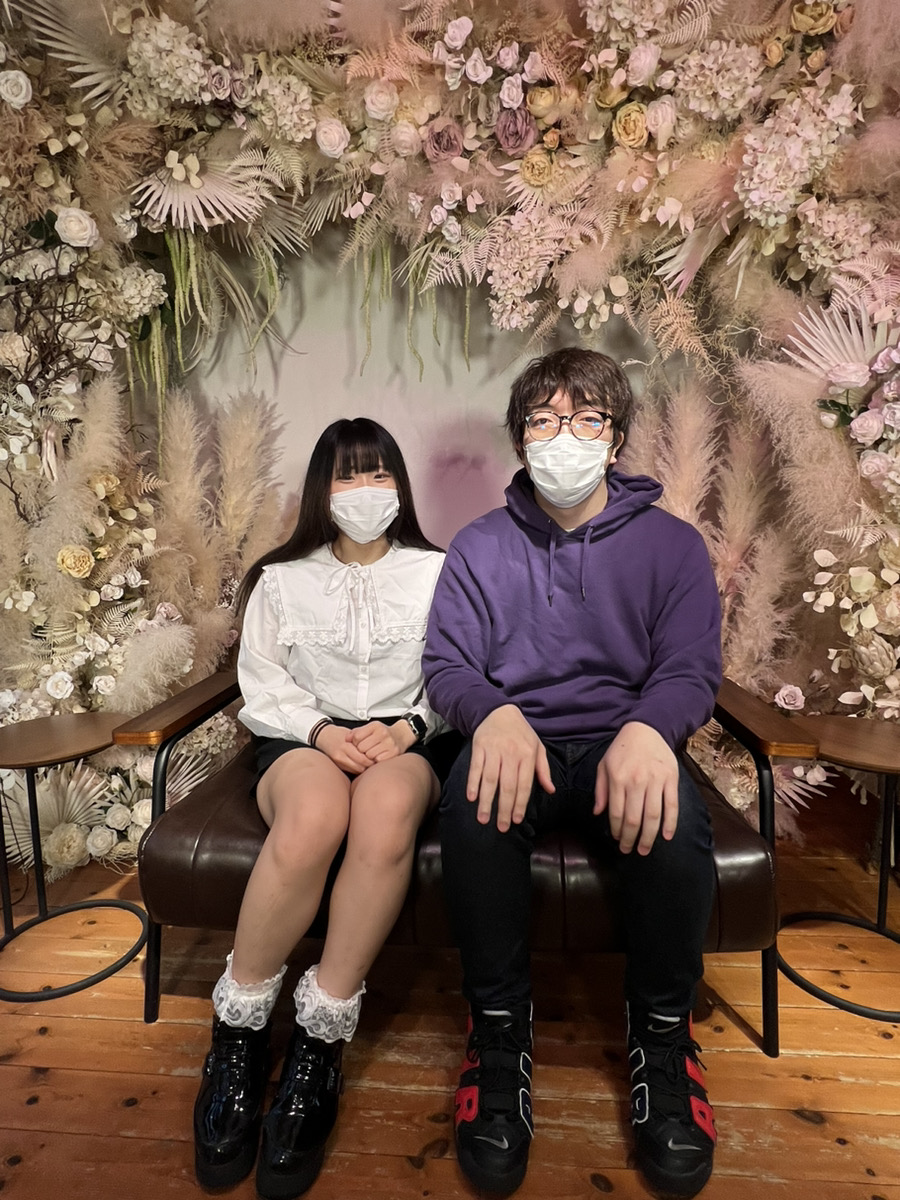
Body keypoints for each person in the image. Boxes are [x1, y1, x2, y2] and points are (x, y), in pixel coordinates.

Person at [422, 348, 722, 1199]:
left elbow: (691, 666)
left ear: (616, 438)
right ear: (520, 440)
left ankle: (663, 1039)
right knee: (473, 814)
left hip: (624, 742)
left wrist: (651, 730)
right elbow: (447, 663)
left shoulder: (672, 546)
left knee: (674, 828)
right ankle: (498, 1034)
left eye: (587, 419)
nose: (565, 437)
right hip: (518, 741)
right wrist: (493, 714)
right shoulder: (479, 547)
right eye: (544, 421)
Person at [194, 417, 456, 1200]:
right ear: (322, 489)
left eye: (380, 473)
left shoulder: (441, 572)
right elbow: (263, 682)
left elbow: (462, 671)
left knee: (382, 813)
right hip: (301, 737)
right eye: (348, 474)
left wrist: (411, 729)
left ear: (400, 486)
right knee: (313, 818)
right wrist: (319, 733)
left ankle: (319, 1040)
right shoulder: (282, 579)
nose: (365, 490)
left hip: (408, 740)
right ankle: (238, 1035)